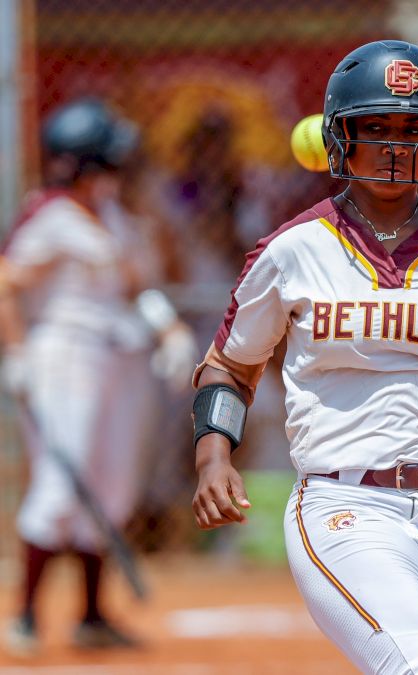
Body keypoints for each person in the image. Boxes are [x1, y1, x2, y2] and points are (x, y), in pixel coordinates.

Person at [189, 40, 418, 674]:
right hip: (345, 507)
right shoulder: (293, 249)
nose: (395, 144)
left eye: (415, 128)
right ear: (340, 139)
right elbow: (229, 365)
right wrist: (213, 455)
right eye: (375, 127)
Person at [2, 99, 194, 656]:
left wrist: (168, 329)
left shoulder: (110, 214)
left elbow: (136, 286)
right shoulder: (50, 215)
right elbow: (6, 284)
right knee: (61, 486)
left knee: (110, 488)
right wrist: (15, 355)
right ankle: (26, 619)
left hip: (119, 359)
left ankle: (89, 616)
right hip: (64, 358)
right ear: (80, 161)